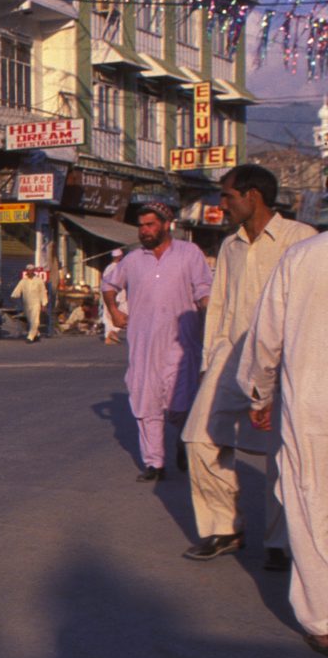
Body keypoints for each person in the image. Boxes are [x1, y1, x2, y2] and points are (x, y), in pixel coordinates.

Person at [182, 165, 314, 566]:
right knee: (199, 438)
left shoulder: (301, 240)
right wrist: (209, 361)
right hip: (231, 358)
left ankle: (281, 542)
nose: (222, 204)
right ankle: (224, 528)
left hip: (286, 361)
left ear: (252, 195)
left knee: (282, 452)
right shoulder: (230, 246)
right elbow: (219, 305)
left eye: (228, 196)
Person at [237, 227, 328, 656]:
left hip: (313, 409)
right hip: (312, 407)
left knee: (311, 503)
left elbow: (265, 336)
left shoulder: (302, 257)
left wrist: (259, 392)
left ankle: (323, 621)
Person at [103, 204, 211, 482]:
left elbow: (203, 288)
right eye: (141, 226)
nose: (144, 231)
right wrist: (114, 311)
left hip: (183, 343)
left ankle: (183, 440)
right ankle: (155, 463)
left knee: (180, 404)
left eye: (150, 225)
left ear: (167, 224)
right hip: (143, 344)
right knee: (146, 402)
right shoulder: (133, 260)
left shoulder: (190, 253)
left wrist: (209, 312)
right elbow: (108, 285)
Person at [11, 264, 48, 344]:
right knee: (31, 320)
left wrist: (44, 304)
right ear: (26, 271)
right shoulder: (23, 281)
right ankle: (37, 334)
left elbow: (43, 293)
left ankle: (30, 337)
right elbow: (17, 290)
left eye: (31, 270)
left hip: (36, 303)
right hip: (27, 304)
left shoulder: (39, 281)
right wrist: (14, 296)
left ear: (34, 271)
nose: (30, 271)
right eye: (28, 270)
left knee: (35, 320)